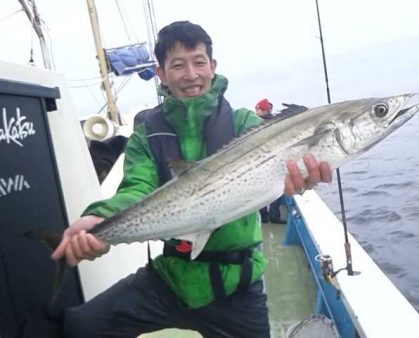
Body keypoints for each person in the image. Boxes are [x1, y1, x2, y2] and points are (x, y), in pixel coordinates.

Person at [53, 21, 332, 338]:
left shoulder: (244, 123)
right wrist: (99, 218)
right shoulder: (147, 135)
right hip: (172, 277)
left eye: (199, 62)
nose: (191, 75)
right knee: (82, 326)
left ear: (212, 66)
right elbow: (137, 189)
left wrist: (302, 178)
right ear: (161, 73)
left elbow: (279, 168)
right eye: (178, 65)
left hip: (238, 284)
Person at [254, 98, 286, 224]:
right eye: (256, 108)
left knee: (267, 190)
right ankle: (271, 215)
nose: (256, 111)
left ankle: (266, 216)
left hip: (266, 162)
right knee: (272, 190)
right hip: (270, 162)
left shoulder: (257, 123)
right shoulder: (274, 122)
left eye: (258, 109)